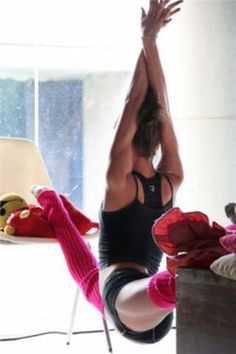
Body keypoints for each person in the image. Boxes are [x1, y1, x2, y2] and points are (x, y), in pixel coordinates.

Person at [33, 0, 183, 345]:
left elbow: (136, 104)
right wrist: (149, 39)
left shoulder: (121, 183)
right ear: (158, 142)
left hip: (134, 303)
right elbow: (161, 104)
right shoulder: (170, 179)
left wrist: (150, 39)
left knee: (171, 286)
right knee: (174, 283)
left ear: (126, 138)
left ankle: (185, 277)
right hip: (140, 298)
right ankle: (190, 273)